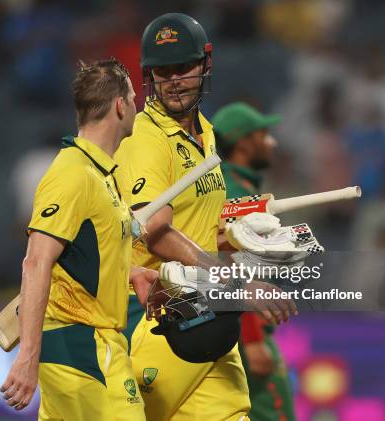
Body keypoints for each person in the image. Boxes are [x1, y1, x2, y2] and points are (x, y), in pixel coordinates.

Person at [115, 13, 295, 421]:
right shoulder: (146, 139)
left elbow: (203, 232)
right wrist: (237, 285)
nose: (174, 79)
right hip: (156, 319)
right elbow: (156, 232)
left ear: (205, 64)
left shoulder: (207, 135)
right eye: (163, 71)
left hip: (207, 313)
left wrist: (244, 236)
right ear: (149, 76)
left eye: (184, 67)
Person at [0, 58, 157, 420]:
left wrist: (130, 272)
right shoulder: (73, 174)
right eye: (133, 98)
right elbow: (37, 261)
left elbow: (86, 252)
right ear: (120, 105)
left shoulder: (100, 173)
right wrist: (27, 359)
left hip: (88, 344)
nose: (137, 105)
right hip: (82, 344)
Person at [213, 102, 296, 421]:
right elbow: (230, 263)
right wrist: (252, 340)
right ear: (244, 143)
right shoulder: (234, 192)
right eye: (264, 134)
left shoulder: (239, 186)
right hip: (246, 332)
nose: (272, 142)